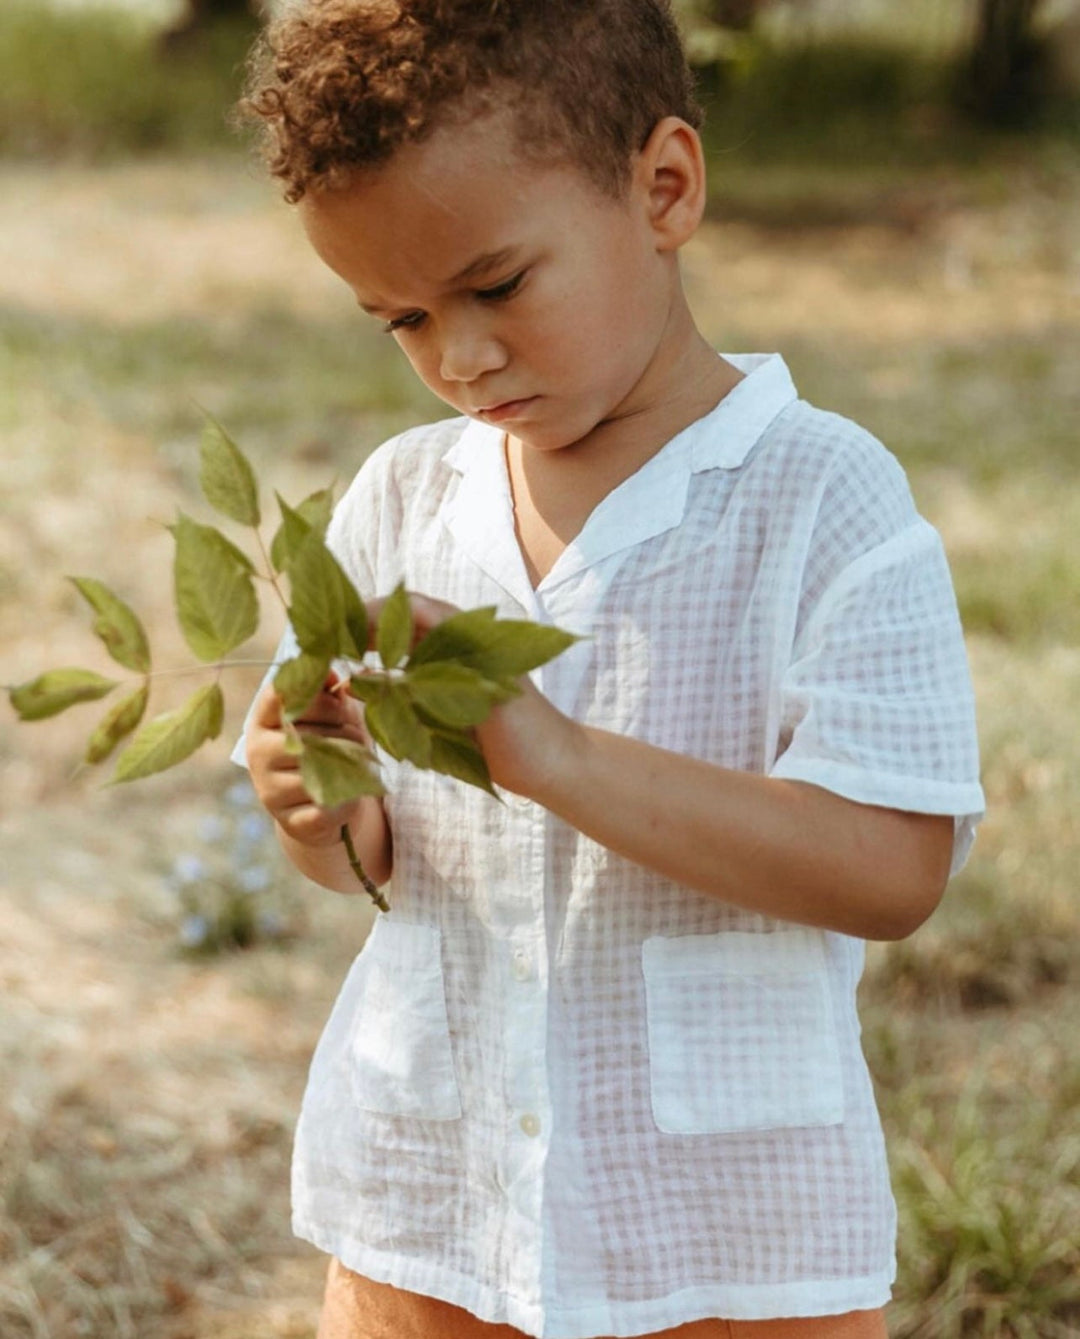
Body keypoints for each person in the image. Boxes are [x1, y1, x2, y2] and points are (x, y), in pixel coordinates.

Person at [236, 2, 986, 1336]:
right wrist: (322, 809)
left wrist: (560, 760)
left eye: (499, 286)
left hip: (722, 1246)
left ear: (664, 188)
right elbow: (379, 860)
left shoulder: (822, 501)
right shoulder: (399, 504)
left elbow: (891, 869)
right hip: (432, 1221)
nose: (458, 360)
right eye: (400, 318)